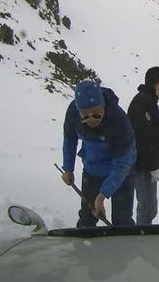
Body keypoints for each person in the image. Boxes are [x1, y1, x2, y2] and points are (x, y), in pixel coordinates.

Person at [61, 80, 136, 226]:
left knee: (122, 221)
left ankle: (125, 246)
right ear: (79, 111)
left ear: (104, 106)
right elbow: (69, 138)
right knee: (87, 218)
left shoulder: (119, 122)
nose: (91, 119)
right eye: (85, 116)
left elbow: (122, 165)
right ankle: (84, 246)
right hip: (92, 169)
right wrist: (68, 168)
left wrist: (102, 196)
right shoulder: (73, 112)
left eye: (96, 114)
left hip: (122, 174)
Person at [128, 67, 159, 225]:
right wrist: (152, 165)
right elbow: (142, 138)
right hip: (142, 166)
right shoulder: (143, 102)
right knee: (147, 207)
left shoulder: (147, 101)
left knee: (150, 207)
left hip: (146, 164)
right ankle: (142, 241)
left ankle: (144, 236)